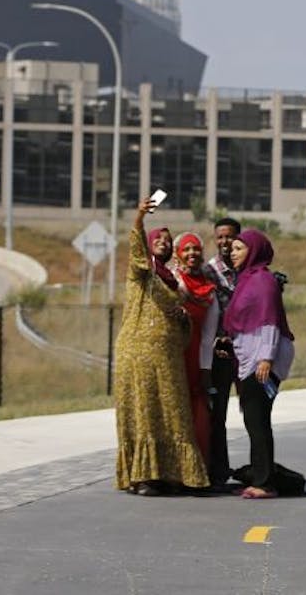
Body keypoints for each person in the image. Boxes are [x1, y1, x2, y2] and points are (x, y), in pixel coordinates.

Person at [113, 195, 208, 497]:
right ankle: (143, 477)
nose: (164, 243)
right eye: (159, 239)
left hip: (167, 356)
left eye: (169, 241)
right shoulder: (142, 271)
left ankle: (172, 474)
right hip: (138, 352)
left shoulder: (174, 281)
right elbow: (137, 246)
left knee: (171, 412)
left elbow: (185, 318)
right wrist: (139, 219)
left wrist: (183, 319)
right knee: (144, 410)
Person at [222, 228, 296, 499]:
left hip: (263, 360)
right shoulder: (247, 279)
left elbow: (269, 322)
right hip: (251, 356)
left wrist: (266, 357)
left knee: (258, 421)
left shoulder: (263, 281)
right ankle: (261, 476)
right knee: (255, 420)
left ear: (254, 251)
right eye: (233, 249)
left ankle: (264, 483)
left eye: (239, 248)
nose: (233, 252)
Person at [172, 232, 218, 472]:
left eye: (196, 249)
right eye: (186, 249)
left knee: (196, 414)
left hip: (196, 359)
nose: (192, 254)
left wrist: (205, 370)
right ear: (178, 254)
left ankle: (196, 470)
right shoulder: (172, 281)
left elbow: (209, 336)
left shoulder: (209, 290)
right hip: (173, 356)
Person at [202, 216, 243, 490]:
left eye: (229, 236)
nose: (224, 242)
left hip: (246, 350)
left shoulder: (247, 268)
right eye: (219, 237)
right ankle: (218, 471)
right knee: (218, 415)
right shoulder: (208, 271)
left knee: (252, 412)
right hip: (220, 353)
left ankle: (259, 471)